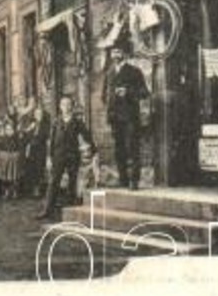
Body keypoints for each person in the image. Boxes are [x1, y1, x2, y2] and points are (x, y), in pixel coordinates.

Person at [102, 45, 150, 190]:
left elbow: (144, 92)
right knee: (119, 149)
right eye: (113, 52)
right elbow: (104, 95)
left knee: (132, 148)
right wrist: (110, 102)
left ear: (124, 53)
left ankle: (134, 181)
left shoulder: (134, 71)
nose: (115, 54)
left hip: (130, 117)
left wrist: (128, 91)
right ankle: (123, 179)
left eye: (118, 51)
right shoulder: (109, 72)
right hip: (115, 116)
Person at [37, 95, 92, 220]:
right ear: (60, 107)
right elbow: (51, 141)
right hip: (58, 155)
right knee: (54, 182)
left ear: (72, 107)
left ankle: (71, 210)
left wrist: (92, 150)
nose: (66, 107)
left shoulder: (77, 122)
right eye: (63, 104)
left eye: (68, 104)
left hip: (73, 156)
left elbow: (87, 136)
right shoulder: (56, 122)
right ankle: (47, 210)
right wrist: (49, 158)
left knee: (72, 182)